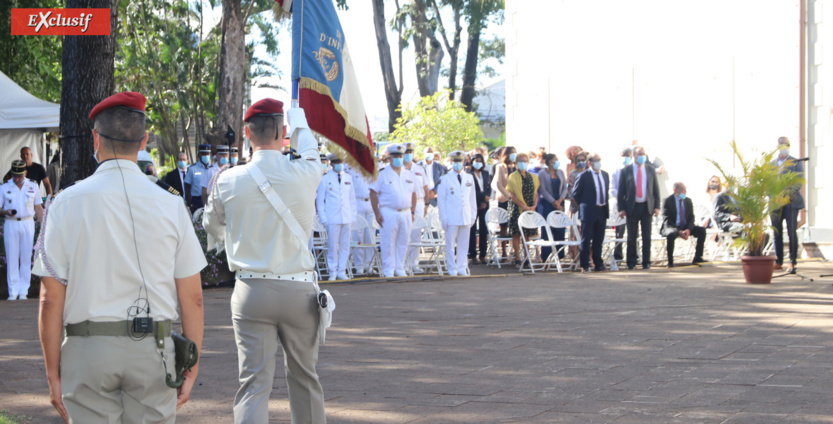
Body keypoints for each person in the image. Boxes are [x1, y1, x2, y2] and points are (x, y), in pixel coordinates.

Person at [35, 91, 205, 422]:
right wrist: (191, 367)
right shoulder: (171, 206)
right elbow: (194, 297)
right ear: (143, 141)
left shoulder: (65, 203)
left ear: (95, 138)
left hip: (88, 349)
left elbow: (49, 300)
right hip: (154, 347)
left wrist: (53, 371)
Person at [204, 98, 326, 423]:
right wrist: (298, 118)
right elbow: (310, 147)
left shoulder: (227, 180)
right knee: (305, 379)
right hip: (299, 290)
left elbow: (211, 225)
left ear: (247, 133)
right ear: (284, 132)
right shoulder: (307, 170)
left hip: (251, 289)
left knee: (254, 384)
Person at [370, 144, 417, 277]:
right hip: (388, 211)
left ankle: (399, 267)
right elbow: (373, 193)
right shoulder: (382, 174)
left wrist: (412, 212)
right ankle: (388, 269)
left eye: (400, 156)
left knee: (403, 241)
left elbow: (414, 193)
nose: (398, 158)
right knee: (388, 242)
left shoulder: (408, 174)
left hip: (406, 212)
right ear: (390, 157)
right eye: (395, 156)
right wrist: (377, 213)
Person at [1, 159, 44, 300]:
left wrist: (44, 226)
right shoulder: (4, 187)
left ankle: (23, 291)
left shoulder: (33, 186)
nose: (17, 179)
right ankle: (13, 292)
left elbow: (38, 207)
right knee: (12, 257)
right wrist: (6, 212)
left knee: (26, 257)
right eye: (15, 176)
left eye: (20, 175)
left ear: (25, 173)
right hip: (11, 222)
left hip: (27, 223)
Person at [617, 145, 661, 270]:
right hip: (632, 207)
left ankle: (646, 261)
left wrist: (657, 206)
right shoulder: (627, 170)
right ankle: (631, 261)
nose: (642, 156)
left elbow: (655, 189)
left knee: (646, 236)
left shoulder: (650, 169)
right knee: (632, 236)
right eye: (639, 154)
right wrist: (621, 208)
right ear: (634, 155)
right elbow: (621, 191)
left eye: (643, 154)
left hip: (647, 206)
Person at [316, 154, 356, 280]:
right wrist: (323, 219)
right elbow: (320, 201)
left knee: (345, 246)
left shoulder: (348, 177)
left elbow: (352, 199)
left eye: (341, 162)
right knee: (333, 246)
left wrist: (353, 216)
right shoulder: (325, 178)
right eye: (337, 162)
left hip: (346, 216)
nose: (340, 164)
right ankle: (332, 271)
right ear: (332, 164)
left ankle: (342, 271)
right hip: (332, 217)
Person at [437, 151, 477, 276]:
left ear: (463, 162)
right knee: (450, 244)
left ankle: (462, 267)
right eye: (455, 162)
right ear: (451, 162)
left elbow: (472, 199)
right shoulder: (445, 178)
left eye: (460, 162)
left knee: (464, 243)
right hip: (451, 216)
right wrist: (443, 217)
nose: (458, 164)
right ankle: (451, 268)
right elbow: (441, 200)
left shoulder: (469, 177)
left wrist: (472, 215)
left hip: (465, 215)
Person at [771, 136, 805, 273]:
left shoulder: (796, 162)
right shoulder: (772, 164)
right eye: (782, 144)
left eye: (787, 144)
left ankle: (792, 262)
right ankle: (778, 261)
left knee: (791, 232)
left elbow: (798, 182)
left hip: (791, 203)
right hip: (775, 204)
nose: (784, 147)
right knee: (776, 233)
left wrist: (785, 195)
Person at [572, 153, 609, 272]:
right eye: (596, 160)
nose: (598, 162)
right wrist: (584, 205)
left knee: (599, 239)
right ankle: (584, 264)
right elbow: (575, 194)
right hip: (588, 211)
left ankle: (598, 263)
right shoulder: (584, 176)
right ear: (590, 163)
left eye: (599, 160)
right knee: (586, 239)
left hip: (602, 210)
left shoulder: (605, 175)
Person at [660, 182, 707, 267]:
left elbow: (691, 217)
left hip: (685, 226)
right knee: (671, 234)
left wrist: (688, 229)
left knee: (702, 231)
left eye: (685, 190)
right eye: (683, 190)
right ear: (675, 190)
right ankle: (670, 262)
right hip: (672, 226)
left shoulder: (688, 201)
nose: (685, 192)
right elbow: (667, 219)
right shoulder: (667, 201)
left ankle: (698, 257)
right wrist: (678, 231)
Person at [506, 152, 540, 267]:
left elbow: (535, 193)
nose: (523, 163)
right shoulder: (512, 176)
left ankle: (527, 257)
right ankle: (518, 258)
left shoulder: (533, 177)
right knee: (516, 234)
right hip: (517, 208)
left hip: (530, 208)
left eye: (525, 161)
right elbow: (512, 194)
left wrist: (534, 206)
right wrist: (523, 206)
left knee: (527, 233)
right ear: (516, 163)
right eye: (520, 161)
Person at [403, 142, 431, 273]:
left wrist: (426, 204)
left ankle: (414, 263)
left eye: (410, 152)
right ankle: (402, 264)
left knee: (416, 235)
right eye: (406, 152)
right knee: (404, 235)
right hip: (404, 204)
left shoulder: (419, 169)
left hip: (419, 203)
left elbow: (426, 188)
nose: (408, 155)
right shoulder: (399, 170)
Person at [537, 153, 568, 262]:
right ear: (550, 161)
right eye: (556, 160)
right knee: (547, 229)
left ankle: (560, 256)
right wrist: (553, 202)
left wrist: (560, 200)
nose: (557, 162)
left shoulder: (560, 172)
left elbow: (565, 187)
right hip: (548, 203)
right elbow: (543, 189)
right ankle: (545, 256)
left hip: (559, 203)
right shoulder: (542, 173)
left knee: (560, 228)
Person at [347, 163, 375, 275]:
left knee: (370, 235)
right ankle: (359, 265)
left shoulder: (372, 169)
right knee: (358, 235)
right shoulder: (352, 170)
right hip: (358, 202)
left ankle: (370, 265)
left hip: (370, 203)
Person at [492, 146, 518, 258]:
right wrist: (509, 196)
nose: (514, 155)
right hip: (504, 199)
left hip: (517, 201)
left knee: (515, 226)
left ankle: (514, 250)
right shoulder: (500, 167)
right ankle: (503, 251)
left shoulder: (517, 166)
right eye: (511, 153)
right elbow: (499, 184)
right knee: (504, 225)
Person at [468, 153, 492, 264]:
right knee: (472, 229)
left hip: (485, 204)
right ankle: (472, 254)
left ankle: (483, 254)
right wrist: (483, 197)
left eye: (480, 161)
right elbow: (472, 190)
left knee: (484, 229)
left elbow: (489, 187)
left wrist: (486, 198)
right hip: (474, 203)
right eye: (476, 161)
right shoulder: (469, 174)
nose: (478, 163)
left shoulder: (486, 173)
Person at [610, 147, 633, 260]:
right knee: (620, 231)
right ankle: (618, 255)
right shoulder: (616, 170)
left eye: (628, 155)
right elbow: (612, 188)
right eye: (624, 155)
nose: (626, 157)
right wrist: (622, 198)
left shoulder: (634, 169)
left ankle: (633, 255)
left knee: (633, 231)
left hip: (633, 204)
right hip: (620, 203)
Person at [184, 143, 211, 213]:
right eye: (204, 154)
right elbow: (187, 186)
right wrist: (190, 204)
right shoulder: (192, 169)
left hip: (210, 199)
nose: (206, 156)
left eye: (207, 154)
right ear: (199, 155)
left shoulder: (213, 168)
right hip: (197, 200)